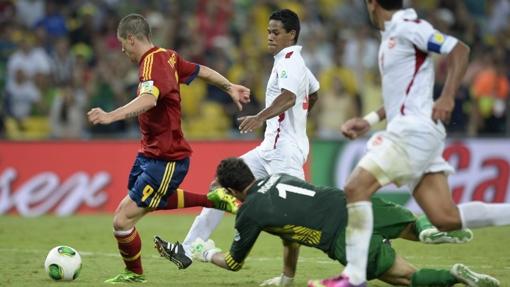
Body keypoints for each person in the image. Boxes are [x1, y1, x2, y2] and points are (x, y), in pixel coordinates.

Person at [335, 1, 510, 286]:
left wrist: (448, 96)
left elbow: (459, 49)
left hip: (412, 133)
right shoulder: (392, 35)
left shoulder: (408, 27)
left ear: (372, 3)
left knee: (356, 188)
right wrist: (368, 119)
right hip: (412, 130)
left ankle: (353, 277)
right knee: (446, 218)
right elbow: (399, 96)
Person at [154, 157, 498, 287]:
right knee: (415, 225)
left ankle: (455, 276)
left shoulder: (250, 212)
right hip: (351, 203)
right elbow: (288, 234)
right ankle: (430, 231)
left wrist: (203, 252)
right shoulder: (280, 177)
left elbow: (232, 263)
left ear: (231, 189)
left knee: (405, 278)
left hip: (339, 235)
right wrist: (287, 278)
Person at [87, 13, 250, 284]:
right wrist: (228, 86)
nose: (123, 50)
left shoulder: (152, 64)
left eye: (123, 44)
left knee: (122, 220)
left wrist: (110, 116)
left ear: (130, 38)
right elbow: (201, 70)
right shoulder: (168, 57)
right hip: (150, 153)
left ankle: (134, 274)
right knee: (145, 205)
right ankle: (215, 199)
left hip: (166, 157)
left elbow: (149, 100)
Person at [170, 9, 320, 284]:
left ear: (291, 35)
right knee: (221, 183)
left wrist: (259, 117)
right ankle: (191, 247)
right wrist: (298, 122)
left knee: (295, 218)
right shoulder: (295, 63)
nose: (270, 36)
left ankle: (293, 276)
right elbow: (313, 91)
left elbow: (288, 97)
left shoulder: (289, 62)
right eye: (268, 31)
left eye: (276, 32)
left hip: (284, 152)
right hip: (270, 148)